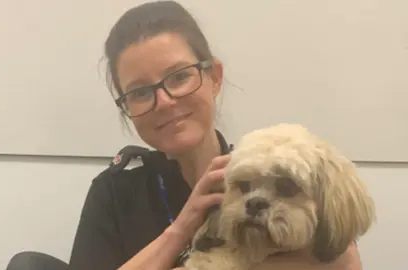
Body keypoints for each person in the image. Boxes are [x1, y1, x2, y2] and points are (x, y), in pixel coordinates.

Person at [67, 1, 363, 270]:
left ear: (214, 77)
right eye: (141, 92)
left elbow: (342, 258)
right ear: (127, 107)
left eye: (180, 76)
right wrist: (182, 228)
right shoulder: (114, 193)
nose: (165, 101)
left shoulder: (272, 160)